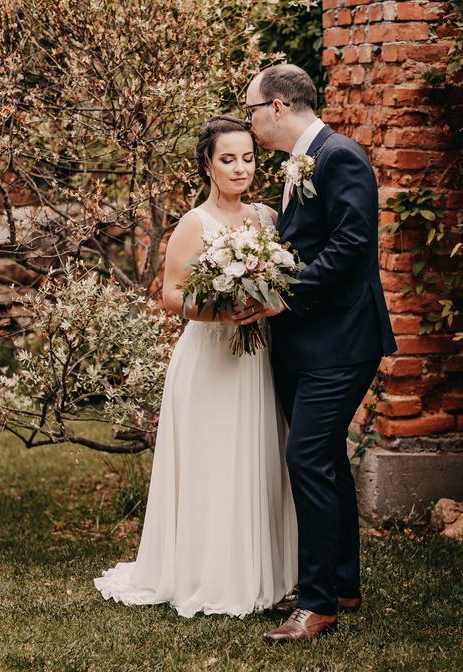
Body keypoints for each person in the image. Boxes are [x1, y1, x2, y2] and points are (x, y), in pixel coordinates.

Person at [94, 116, 297, 618]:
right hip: (210, 357)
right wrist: (223, 312)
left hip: (259, 356)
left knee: (258, 457)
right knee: (214, 460)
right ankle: (208, 572)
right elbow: (171, 296)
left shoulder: (268, 219)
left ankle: (265, 571)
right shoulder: (194, 223)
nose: (240, 168)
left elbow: (285, 282)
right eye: (228, 159)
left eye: (248, 158)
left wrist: (266, 302)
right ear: (208, 163)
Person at [235, 64, 397, 643]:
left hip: (341, 341)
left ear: (277, 106)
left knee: (305, 458)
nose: (249, 121)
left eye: (251, 110)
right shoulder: (300, 161)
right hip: (305, 342)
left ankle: (316, 603)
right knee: (324, 458)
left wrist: (282, 295)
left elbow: (352, 245)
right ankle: (342, 583)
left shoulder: (339, 156)